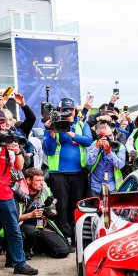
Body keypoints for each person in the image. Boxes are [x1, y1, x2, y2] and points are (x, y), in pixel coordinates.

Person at [0, 111, 37, 275]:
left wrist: (18, 152)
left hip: (4, 193)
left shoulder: (6, 140)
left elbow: (19, 167)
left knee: (13, 230)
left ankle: (19, 264)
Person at [42, 97, 93, 241]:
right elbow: (49, 151)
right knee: (62, 206)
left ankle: (77, 234)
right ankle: (65, 235)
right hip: (58, 173)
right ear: (59, 111)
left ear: (75, 111)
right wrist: (52, 133)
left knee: (77, 203)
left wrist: (69, 132)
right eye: (65, 110)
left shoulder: (82, 125)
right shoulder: (52, 125)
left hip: (78, 172)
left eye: (71, 110)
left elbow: (88, 141)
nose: (68, 113)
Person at [14, 167, 70, 259]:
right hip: (20, 226)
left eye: (42, 180)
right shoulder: (18, 193)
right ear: (28, 180)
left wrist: (50, 213)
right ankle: (24, 251)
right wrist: (30, 215)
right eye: (38, 180)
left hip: (40, 226)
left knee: (63, 251)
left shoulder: (44, 190)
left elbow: (53, 209)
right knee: (32, 231)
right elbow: (12, 218)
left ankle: (37, 247)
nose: (41, 183)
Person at [86, 122, 127, 196]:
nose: (110, 138)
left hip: (112, 186)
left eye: (111, 135)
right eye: (106, 137)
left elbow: (120, 165)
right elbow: (89, 162)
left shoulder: (119, 146)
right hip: (95, 186)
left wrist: (109, 152)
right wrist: (97, 148)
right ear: (99, 138)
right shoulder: (94, 144)